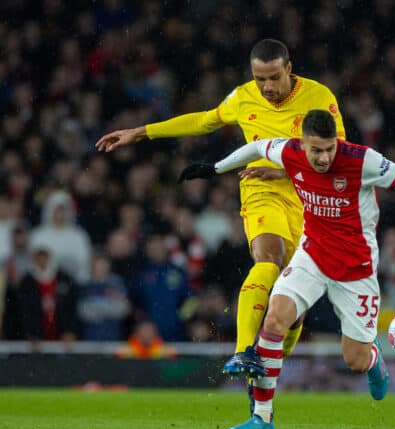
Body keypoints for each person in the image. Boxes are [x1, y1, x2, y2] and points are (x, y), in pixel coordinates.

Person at [178, 109, 395, 429]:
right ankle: (262, 417)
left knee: (354, 359)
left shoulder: (362, 161)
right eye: (316, 150)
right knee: (275, 317)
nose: (323, 158)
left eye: (329, 149)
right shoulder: (289, 150)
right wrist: (215, 168)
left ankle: (374, 360)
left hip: (355, 269)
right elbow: (256, 148)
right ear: (303, 144)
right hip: (312, 255)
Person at [96, 39, 346, 377]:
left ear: (289, 69)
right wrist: (142, 133)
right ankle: (243, 350)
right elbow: (204, 121)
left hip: (307, 197)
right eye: (260, 79)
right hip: (261, 191)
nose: (267, 87)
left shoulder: (319, 97)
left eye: (274, 77)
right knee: (267, 258)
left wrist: (281, 169)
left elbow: (336, 155)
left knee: (294, 305)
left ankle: (273, 363)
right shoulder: (243, 96)